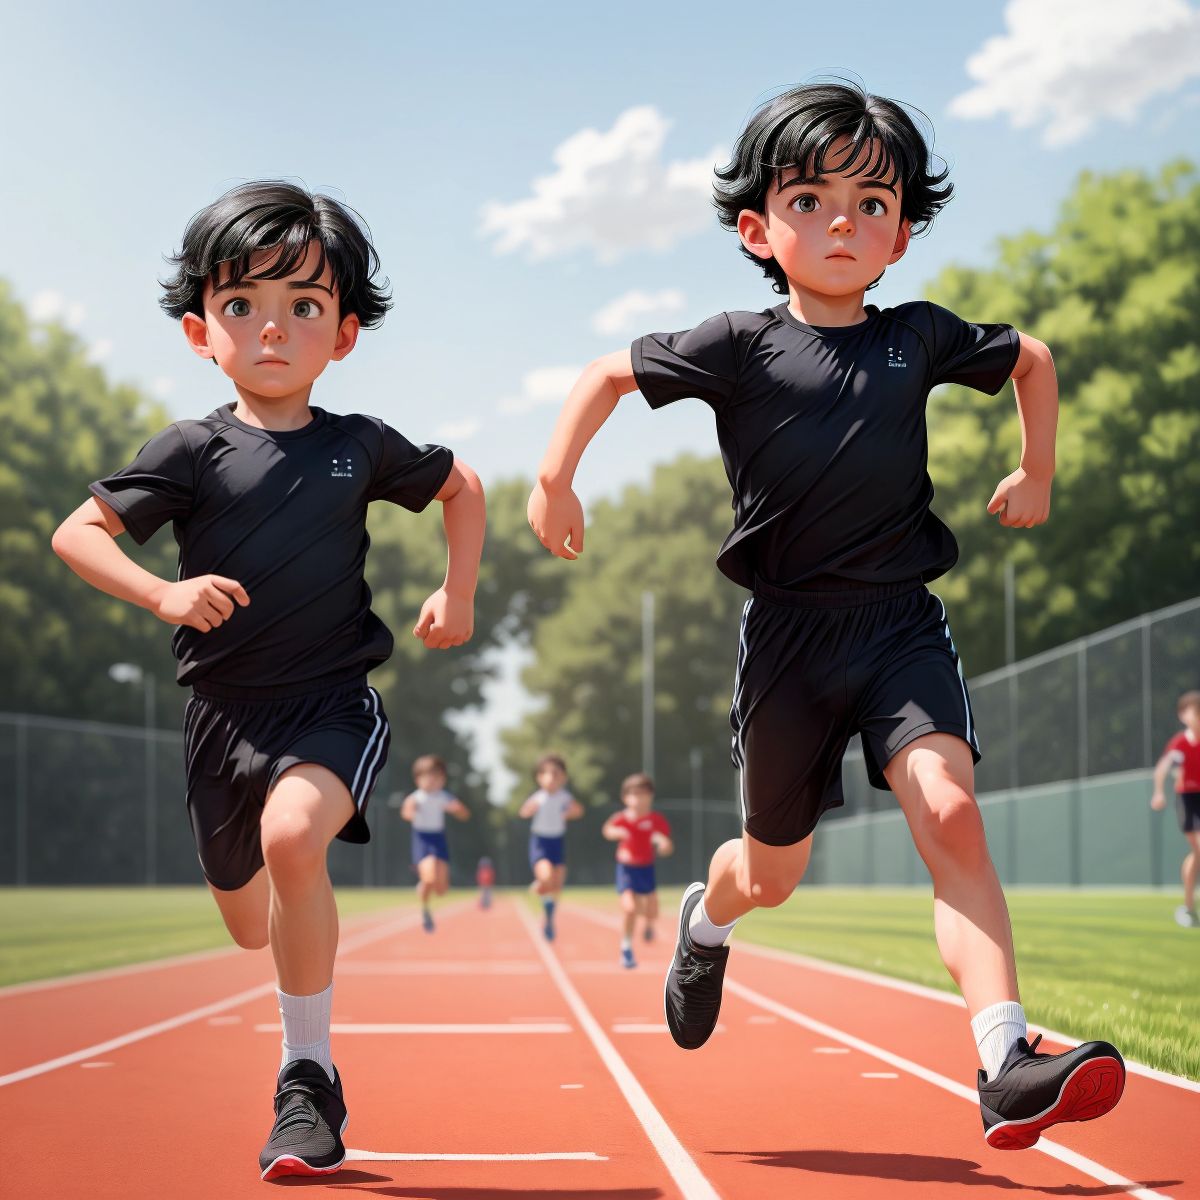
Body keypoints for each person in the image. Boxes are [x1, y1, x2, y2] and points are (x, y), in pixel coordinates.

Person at [527, 81, 1125, 1149]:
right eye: (811, 198)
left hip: (900, 623)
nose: (843, 221)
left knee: (951, 813)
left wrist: (1039, 467)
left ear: (901, 234)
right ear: (759, 229)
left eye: (872, 202)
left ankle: (1003, 1058)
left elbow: (1031, 357)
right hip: (790, 644)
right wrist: (554, 479)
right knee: (772, 873)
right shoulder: (738, 346)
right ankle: (705, 927)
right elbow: (607, 373)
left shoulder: (919, 339)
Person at [51, 181, 486, 1180]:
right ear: (204, 331)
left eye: (305, 307)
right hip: (219, 721)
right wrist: (161, 595)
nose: (274, 329)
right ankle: (271, 948)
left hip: (330, 704)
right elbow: (77, 532)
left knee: (297, 839)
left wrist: (456, 592)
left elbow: (461, 487)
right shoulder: (190, 451)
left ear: (343, 336)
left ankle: (307, 1076)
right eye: (244, 306)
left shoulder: (358, 445)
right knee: (248, 915)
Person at [603, 773, 673, 967]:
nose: (637, 798)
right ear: (625, 797)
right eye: (633, 794)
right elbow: (607, 829)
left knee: (652, 911)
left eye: (642, 794)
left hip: (646, 869)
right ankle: (626, 948)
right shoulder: (621, 818)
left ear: (650, 796)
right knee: (630, 908)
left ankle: (649, 925)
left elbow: (666, 842)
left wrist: (664, 844)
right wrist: (616, 832)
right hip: (626, 869)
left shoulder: (656, 820)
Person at [394, 754, 469, 931]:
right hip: (422, 839)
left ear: (442, 779)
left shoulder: (443, 796)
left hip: (438, 839)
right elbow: (406, 812)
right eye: (427, 776)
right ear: (418, 779)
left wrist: (457, 810)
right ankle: (425, 909)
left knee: (441, 889)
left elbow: (464, 814)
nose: (432, 781)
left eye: (437, 777)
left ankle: (425, 886)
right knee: (430, 876)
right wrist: (411, 813)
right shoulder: (415, 798)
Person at [519, 753, 584, 939]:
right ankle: (539, 884)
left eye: (557, 774)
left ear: (563, 778)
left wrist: (570, 813)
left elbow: (578, 811)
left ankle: (548, 918)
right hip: (540, 842)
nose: (553, 778)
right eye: (548, 774)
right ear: (539, 777)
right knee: (547, 876)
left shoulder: (564, 797)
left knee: (557, 885)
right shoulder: (538, 797)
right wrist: (529, 810)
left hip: (558, 842)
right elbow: (524, 811)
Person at [1151, 690, 1200, 928]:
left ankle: (1188, 907)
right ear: (1183, 715)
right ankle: (1188, 907)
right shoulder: (1180, 742)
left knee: (1198, 852)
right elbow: (1163, 768)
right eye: (1195, 711)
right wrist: (1159, 791)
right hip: (1189, 799)